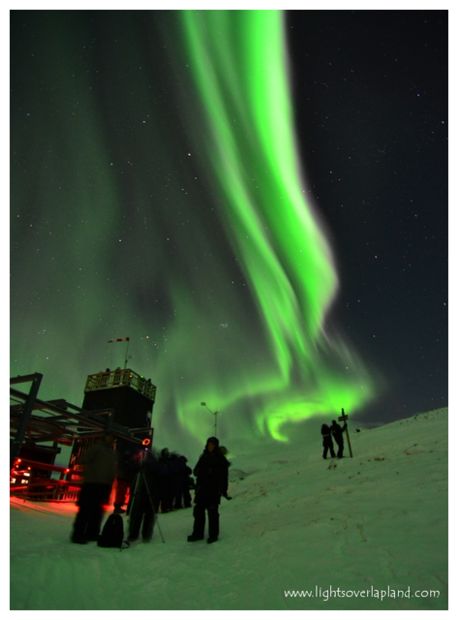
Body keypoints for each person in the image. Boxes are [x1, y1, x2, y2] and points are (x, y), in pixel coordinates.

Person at [71, 433, 117, 544]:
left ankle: (92, 533)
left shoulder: (112, 452)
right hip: (91, 483)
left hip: (104, 485)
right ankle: (78, 535)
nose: (112, 440)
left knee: (97, 510)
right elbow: (83, 459)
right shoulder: (97, 448)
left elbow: (112, 469)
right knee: (86, 510)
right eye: (110, 437)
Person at [187, 436, 229, 544]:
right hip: (202, 489)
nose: (210, 446)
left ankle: (213, 535)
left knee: (212, 513)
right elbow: (196, 471)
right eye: (209, 444)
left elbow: (224, 476)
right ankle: (198, 534)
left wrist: (223, 490)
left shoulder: (220, 459)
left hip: (213, 490)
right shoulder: (204, 456)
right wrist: (201, 472)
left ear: (216, 446)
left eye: (213, 444)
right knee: (198, 512)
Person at [127, 449, 160, 543]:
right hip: (145, 491)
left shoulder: (152, 465)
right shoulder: (141, 464)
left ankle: (135, 534)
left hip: (146, 491)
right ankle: (145, 534)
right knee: (144, 514)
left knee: (140, 513)